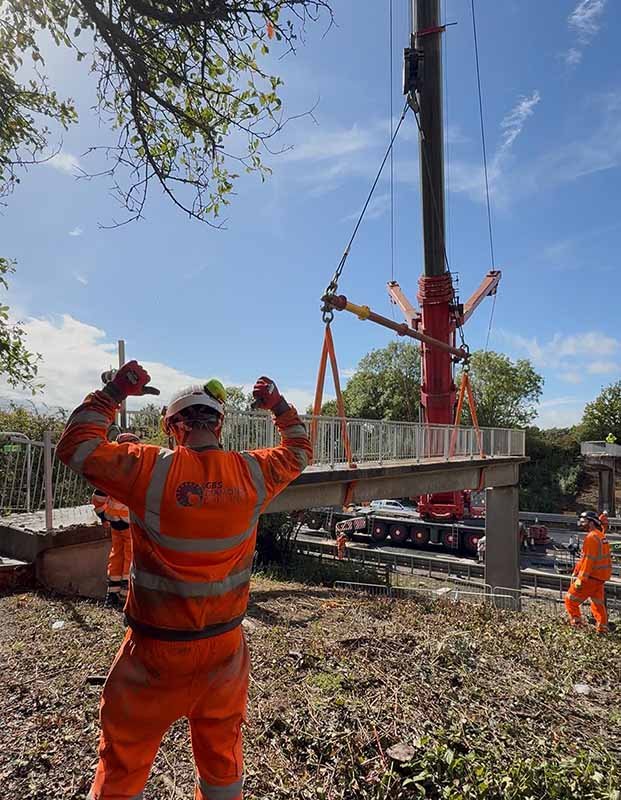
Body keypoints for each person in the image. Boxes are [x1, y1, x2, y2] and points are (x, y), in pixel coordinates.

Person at [57, 361, 312, 800]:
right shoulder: (253, 473)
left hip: (154, 653)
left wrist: (114, 392)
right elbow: (301, 449)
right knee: (222, 760)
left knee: (124, 761)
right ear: (219, 425)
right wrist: (278, 405)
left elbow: (76, 445)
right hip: (225, 651)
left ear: (172, 427)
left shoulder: (149, 468)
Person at [92, 432, 141, 607]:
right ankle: (125, 595)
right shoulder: (135, 471)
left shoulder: (110, 471)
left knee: (116, 555)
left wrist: (103, 515)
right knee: (129, 556)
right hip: (129, 522)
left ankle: (112, 594)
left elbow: (98, 498)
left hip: (114, 522)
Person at [564, 510, 612, 634]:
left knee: (570, 600)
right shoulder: (600, 536)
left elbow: (588, 560)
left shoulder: (591, 537)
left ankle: (577, 626)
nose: (581, 523)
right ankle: (602, 630)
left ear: (591, 522)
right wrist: (576, 571)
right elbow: (586, 558)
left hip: (590, 577)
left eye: (584, 521)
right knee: (598, 604)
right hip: (599, 578)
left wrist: (580, 579)